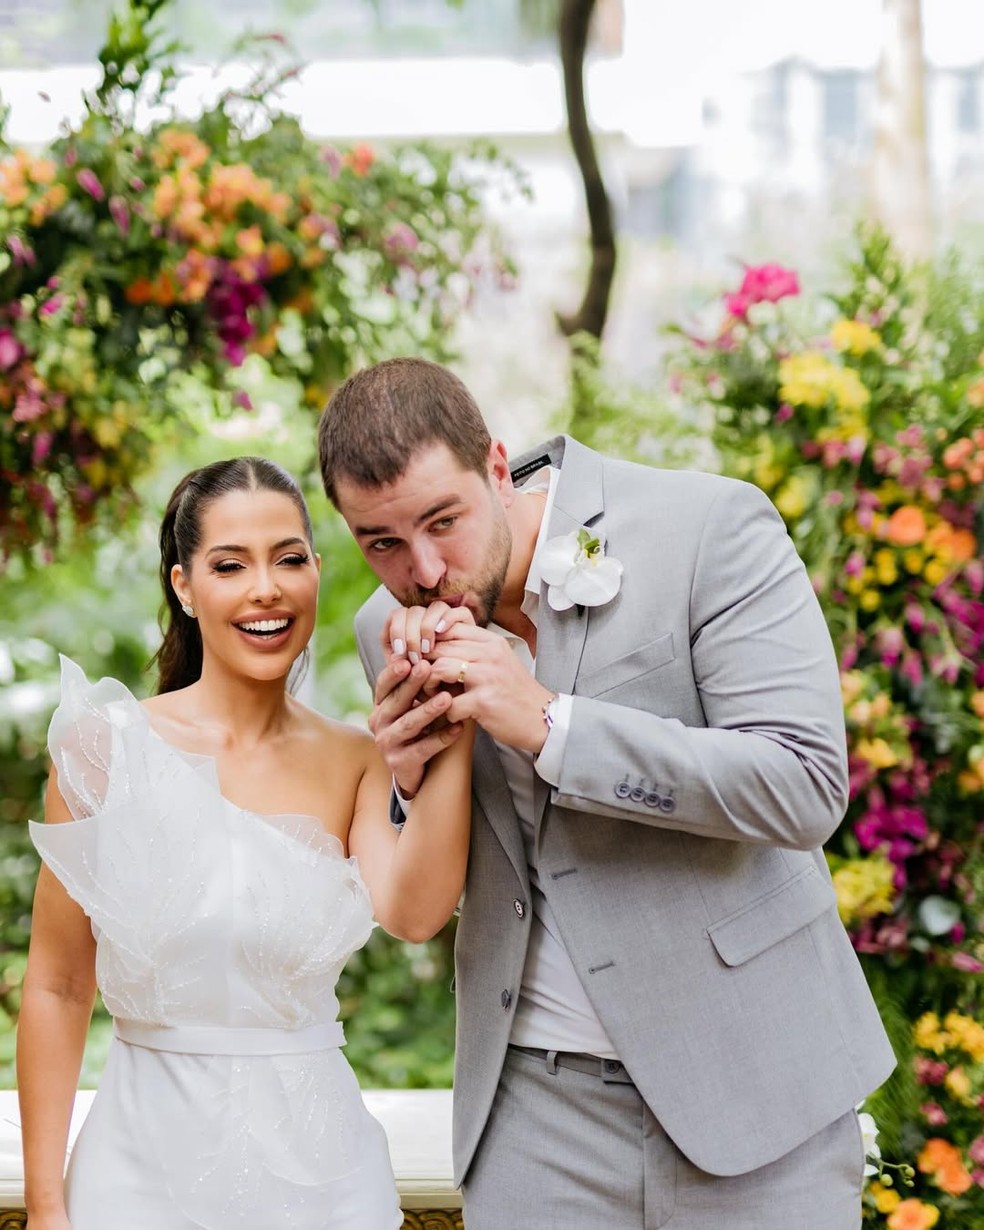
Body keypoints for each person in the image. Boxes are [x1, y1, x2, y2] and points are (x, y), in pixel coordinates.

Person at [316, 357, 897, 1230]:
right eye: (382, 543)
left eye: (444, 521)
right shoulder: (381, 630)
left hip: (754, 1088)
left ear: (497, 466)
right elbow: (441, 878)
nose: (425, 569)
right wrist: (407, 779)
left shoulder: (707, 527)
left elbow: (802, 785)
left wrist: (550, 724)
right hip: (531, 1117)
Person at [17, 455, 474, 1230]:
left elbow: (416, 913)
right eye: (230, 565)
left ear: (317, 574)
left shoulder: (356, 758)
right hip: (136, 1179)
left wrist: (455, 718)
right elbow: (58, 988)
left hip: (326, 1183)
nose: (266, 588)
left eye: (288, 559)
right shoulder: (105, 750)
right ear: (184, 586)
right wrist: (46, 1206)